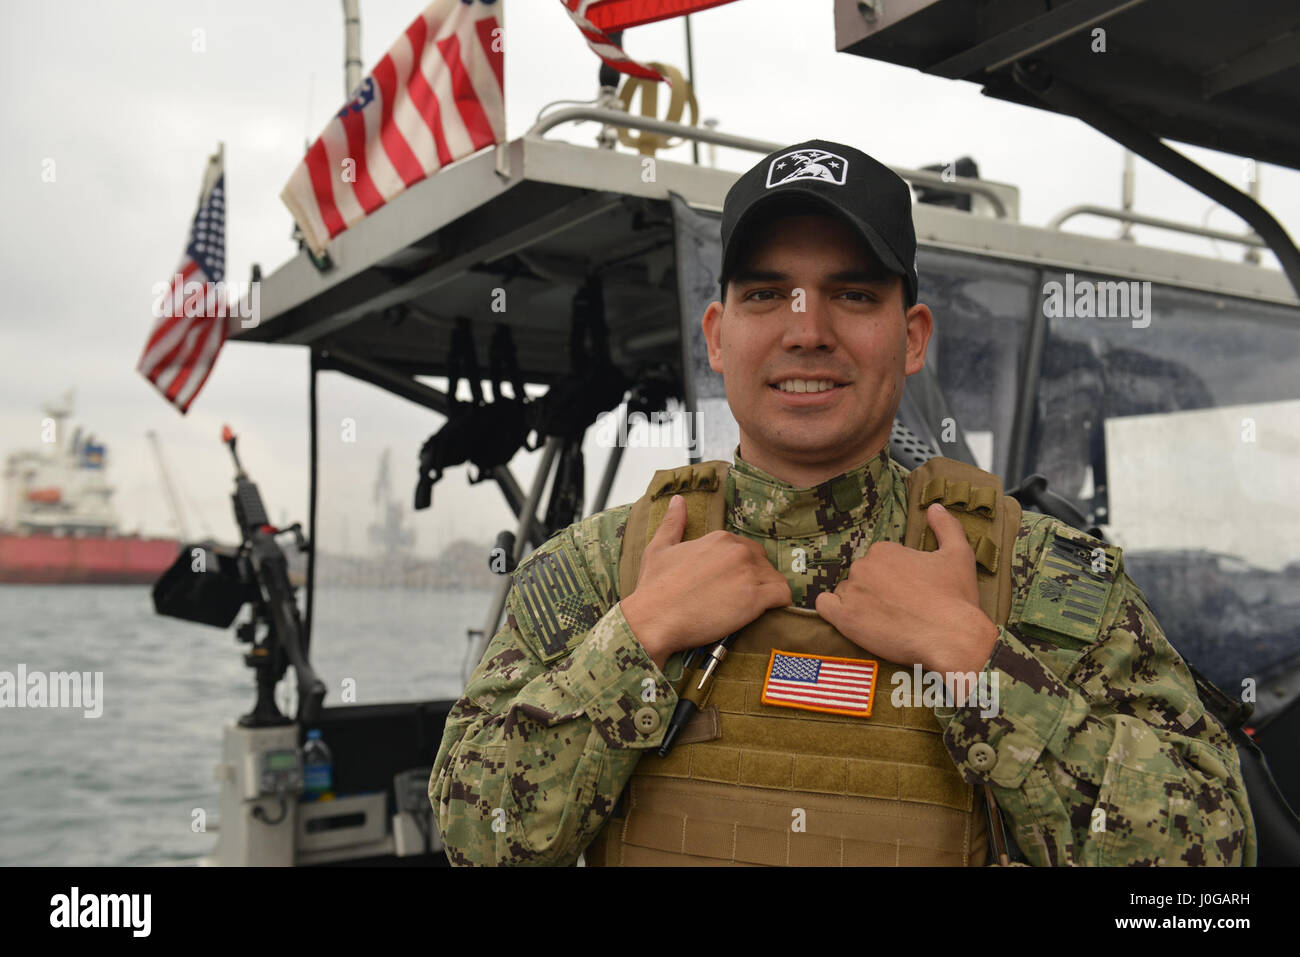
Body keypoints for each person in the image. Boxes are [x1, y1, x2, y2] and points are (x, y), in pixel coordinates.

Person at [429, 139, 1256, 866]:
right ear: (717, 334)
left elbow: (1209, 863)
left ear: (913, 335)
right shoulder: (599, 570)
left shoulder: (1040, 578)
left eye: (853, 295)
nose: (807, 330)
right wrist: (636, 640)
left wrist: (976, 662)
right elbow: (474, 836)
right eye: (766, 294)